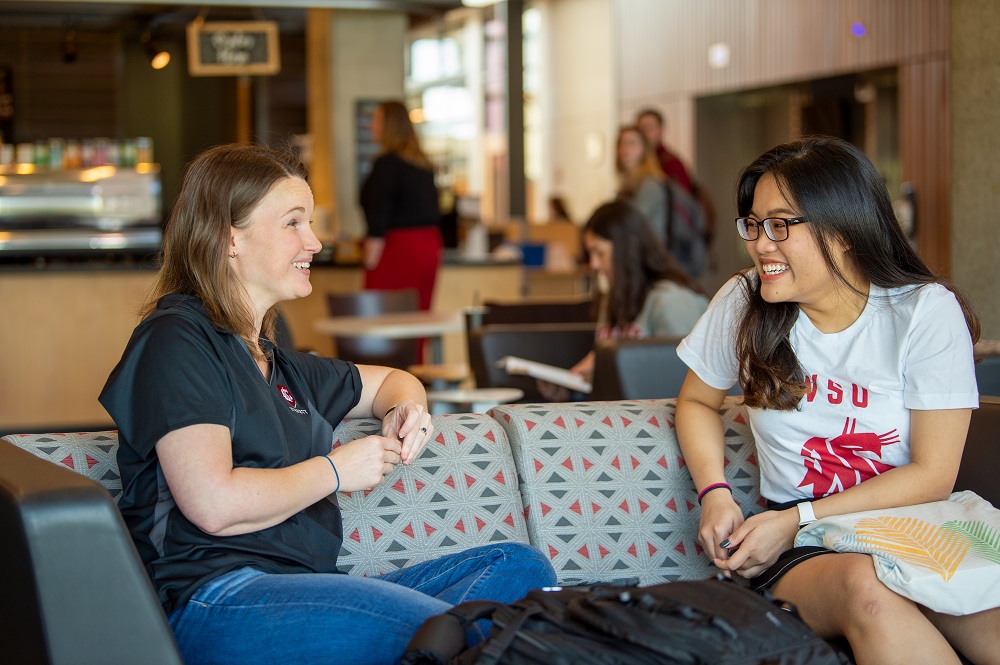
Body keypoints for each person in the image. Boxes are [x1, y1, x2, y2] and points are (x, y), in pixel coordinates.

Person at [99, 143, 557, 665]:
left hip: (306, 589)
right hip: (215, 599)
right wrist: (335, 470)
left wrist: (406, 410)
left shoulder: (279, 364)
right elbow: (213, 505)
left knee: (522, 571)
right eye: (294, 223)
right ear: (231, 237)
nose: (314, 242)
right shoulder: (177, 340)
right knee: (447, 632)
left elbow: (394, 380)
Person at [675, 136, 1000, 664]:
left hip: (914, 526)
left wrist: (797, 516)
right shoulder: (744, 301)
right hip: (804, 546)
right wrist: (715, 492)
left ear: (843, 227)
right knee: (867, 591)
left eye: (781, 224)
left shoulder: (923, 312)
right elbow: (694, 401)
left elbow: (933, 474)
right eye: (754, 225)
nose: (761, 244)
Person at [537, 200, 708, 402]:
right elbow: (605, 361)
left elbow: (680, 379)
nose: (593, 264)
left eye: (599, 252)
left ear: (626, 249)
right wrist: (569, 384)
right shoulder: (615, 296)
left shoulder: (673, 301)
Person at [360, 100, 442, 312]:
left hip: (398, 248)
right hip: (429, 244)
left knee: (383, 316)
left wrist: (370, 261)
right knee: (417, 315)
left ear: (390, 125)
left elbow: (379, 213)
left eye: (377, 120)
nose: (372, 126)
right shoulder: (423, 164)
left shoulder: (387, 164)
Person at [615, 125, 668, 246]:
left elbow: (630, 223)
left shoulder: (650, 185)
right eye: (621, 143)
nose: (625, 148)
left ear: (644, 149)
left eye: (631, 143)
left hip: (651, 258)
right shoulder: (629, 185)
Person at [635, 108, 693, 194]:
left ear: (661, 130)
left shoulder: (671, 163)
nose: (645, 133)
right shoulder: (636, 163)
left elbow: (682, 199)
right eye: (641, 129)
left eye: (649, 127)